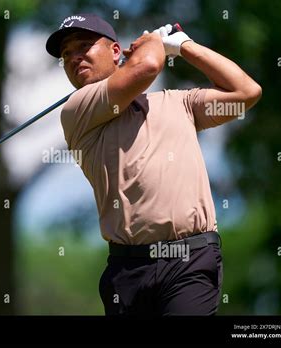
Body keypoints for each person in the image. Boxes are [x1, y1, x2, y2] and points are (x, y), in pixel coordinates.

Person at [45, 13, 262, 316]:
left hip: (190, 261)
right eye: (67, 54)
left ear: (116, 52)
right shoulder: (78, 110)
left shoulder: (178, 103)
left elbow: (245, 93)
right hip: (127, 271)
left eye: (84, 46)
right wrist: (154, 42)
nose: (74, 57)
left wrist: (185, 46)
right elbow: (147, 65)